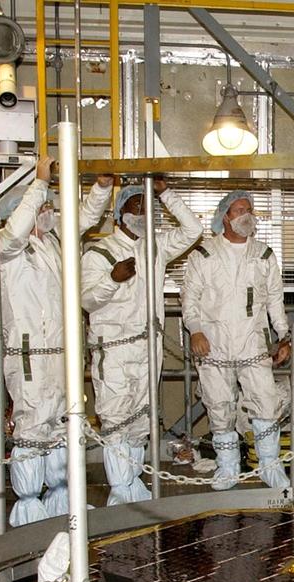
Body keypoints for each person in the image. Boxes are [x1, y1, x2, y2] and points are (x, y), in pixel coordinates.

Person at [0, 157, 114, 525]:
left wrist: (102, 188)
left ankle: (61, 499)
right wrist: (39, 184)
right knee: (34, 425)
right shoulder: (7, 248)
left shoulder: (53, 242)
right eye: (43, 206)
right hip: (30, 354)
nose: (49, 211)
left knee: (62, 423)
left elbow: (83, 217)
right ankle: (29, 507)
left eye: (50, 205)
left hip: (61, 353)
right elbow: (16, 232)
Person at [82, 178, 203, 506]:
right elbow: (87, 301)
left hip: (148, 348)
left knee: (139, 421)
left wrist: (166, 193)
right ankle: (120, 493)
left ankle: (132, 486)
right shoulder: (100, 252)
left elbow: (193, 230)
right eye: (137, 206)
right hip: (114, 350)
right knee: (116, 419)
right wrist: (112, 279)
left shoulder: (155, 247)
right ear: (120, 213)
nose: (143, 214)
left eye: (149, 208)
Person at [182, 190, 291, 490]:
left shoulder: (264, 255)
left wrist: (283, 336)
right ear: (224, 217)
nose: (246, 215)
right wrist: (196, 330)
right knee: (219, 406)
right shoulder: (203, 255)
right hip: (213, 343)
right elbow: (190, 299)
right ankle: (228, 467)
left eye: (249, 209)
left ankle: (269, 465)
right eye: (239, 210)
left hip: (253, 343)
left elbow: (275, 300)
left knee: (265, 403)